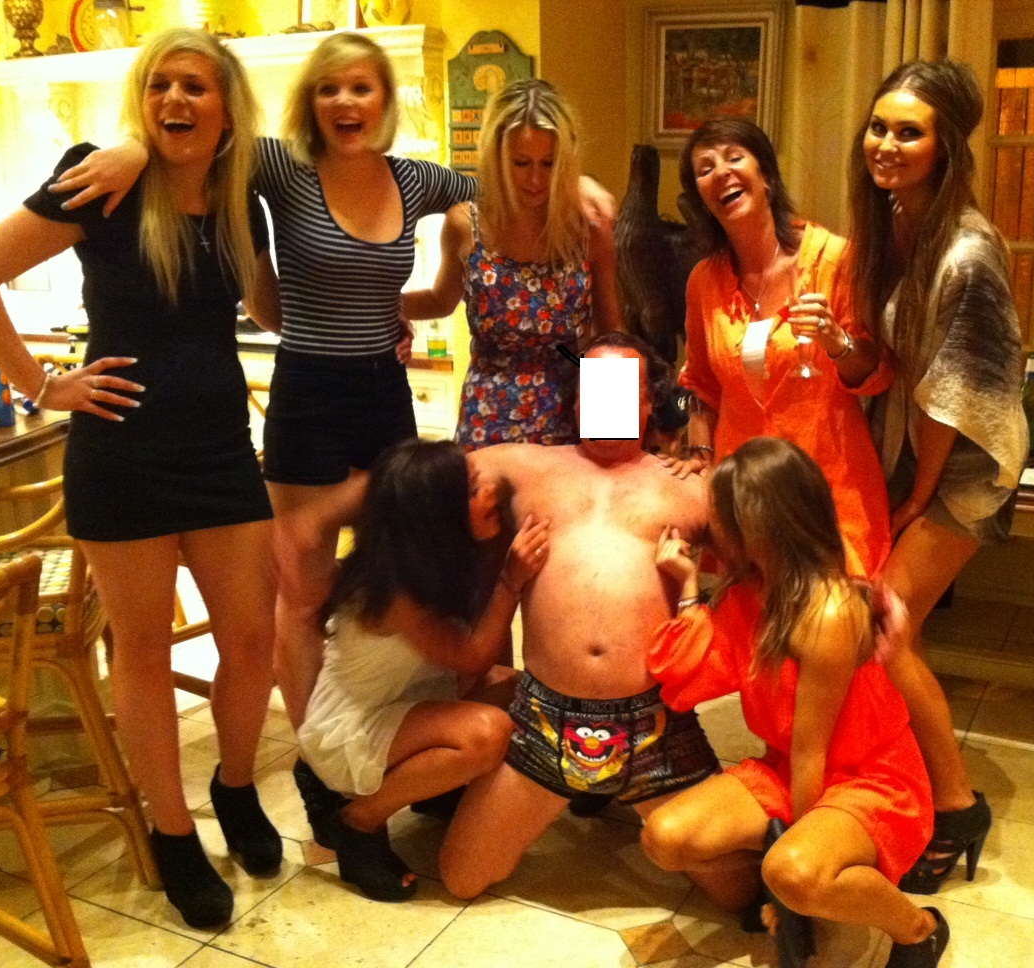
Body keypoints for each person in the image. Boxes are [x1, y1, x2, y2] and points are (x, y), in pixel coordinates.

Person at [51, 35, 616, 747]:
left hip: (403, 394)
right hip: (319, 393)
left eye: (361, 87)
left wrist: (580, 182)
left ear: (385, 100)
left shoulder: (421, 183)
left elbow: (509, 188)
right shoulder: (283, 168)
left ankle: (422, 728)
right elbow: (200, 139)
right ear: (309, 101)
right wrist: (135, 149)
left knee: (421, 575)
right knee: (311, 588)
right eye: (329, 88)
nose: (345, 101)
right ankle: (322, 757)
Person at [0, 28, 282, 930]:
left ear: (227, 106)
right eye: (160, 84)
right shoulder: (102, 177)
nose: (175, 100)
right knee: (144, 649)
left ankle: (236, 786)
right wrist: (41, 385)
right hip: (122, 454)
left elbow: (268, 303)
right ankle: (173, 830)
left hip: (220, 449)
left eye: (195, 86)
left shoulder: (241, 196)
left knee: (254, 635)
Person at [640, 437, 948, 968]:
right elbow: (688, 674)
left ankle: (919, 928)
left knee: (793, 874)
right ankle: (791, 870)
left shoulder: (828, 613)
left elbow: (812, 752)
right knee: (664, 839)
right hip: (789, 768)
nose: (709, 529)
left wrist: (791, 899)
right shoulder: (749, 592)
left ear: (756, 530)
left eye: (719, 519)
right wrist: (688, 585)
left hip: (869, 779)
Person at [438, 332, 721, 899]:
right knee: (461, 877)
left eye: (625, 390)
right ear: (574, 401)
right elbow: (419, 481)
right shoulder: (522, 465)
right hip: (544, 719)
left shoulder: (691, 485)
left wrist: (702, 448)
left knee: (740, 892)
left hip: (657, 723)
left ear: (648, 404)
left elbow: (773, 546)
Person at [847, 60, 1027, 893]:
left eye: (909, 132)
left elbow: (955, 395)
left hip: (965, 466)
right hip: (917, 451)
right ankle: (911, 783)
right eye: (879, 126)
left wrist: (915, 497)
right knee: (889, 627)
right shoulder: (899, 220)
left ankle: (956, 807)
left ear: (946, 145)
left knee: (886, 626)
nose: (886, 144)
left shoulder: (968, 249)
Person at [291, 438, 547, 903]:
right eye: (474, 490)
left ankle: (433, 789)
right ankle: (358, 822)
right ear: (438, 516)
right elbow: (473, 657)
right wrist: (511, 581)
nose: (490, 492)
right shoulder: (398, 591)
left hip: (407, 704)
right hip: (352, 727)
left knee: (521, 692)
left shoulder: (432, 561)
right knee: (488, 733)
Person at [671, 118, 893, 580]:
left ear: (767, 175)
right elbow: (701, 385)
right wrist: (700, 454)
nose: (722, 173)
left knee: (834, 613)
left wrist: (837, 342)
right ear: (701, 199)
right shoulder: (703, 282)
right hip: (744, 493)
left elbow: (876, 373)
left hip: (825, 481)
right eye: (705, 169)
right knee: (752, 613)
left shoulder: (833, 258)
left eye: (735, 158)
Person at [402, 79, 623, 450]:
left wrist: (618, 435)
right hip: (488, 416)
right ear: (497, 157)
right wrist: (378, 307)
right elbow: (441, 300)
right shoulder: (464, 224)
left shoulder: (587, 226)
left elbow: (611, 331)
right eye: (521, 163)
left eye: (549, 163)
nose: (535, 179)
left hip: (571, 409)